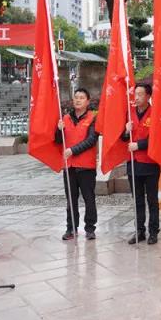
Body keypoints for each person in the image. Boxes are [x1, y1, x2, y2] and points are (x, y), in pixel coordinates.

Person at [55, 88, 99, 241]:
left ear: (88, 101)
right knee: (71, 200)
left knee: (89, 198)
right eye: (76, 97)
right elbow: (59, 141)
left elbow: (91, 140)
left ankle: (90, 228)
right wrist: (59, 130)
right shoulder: (65, 118)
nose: (78, 100)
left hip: (86, 166)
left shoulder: (93, 118)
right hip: (69, 166)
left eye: (81, 97)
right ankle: (71, 228)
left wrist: (73, 150)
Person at [124, 83, 161, 245]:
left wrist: (138, 145)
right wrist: (126, 131)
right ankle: (139, 231)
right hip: (133, 163)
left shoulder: (155, 114)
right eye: (135, 94)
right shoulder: (130, 112)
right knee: (137, 200)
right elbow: (123, 138)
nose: (136, 97)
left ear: (148, 96)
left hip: (150, 163)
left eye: (140, 94)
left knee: (152, 200)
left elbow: (157, 138)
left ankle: (153, 231)